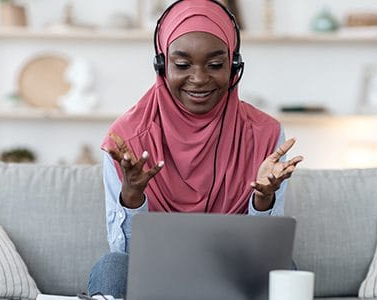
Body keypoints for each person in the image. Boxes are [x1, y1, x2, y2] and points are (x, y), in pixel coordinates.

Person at [88, 0, 303, 297]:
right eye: (182, 64)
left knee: (285, 269)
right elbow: (125, 254)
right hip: (155, 278)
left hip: (234, 277)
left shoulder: (265, 134)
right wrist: (133, 195)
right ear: (162, 65)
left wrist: (263, 199)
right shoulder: (127, 138)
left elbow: (265, 254)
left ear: (234, 65)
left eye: (215, 65)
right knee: (110, 267)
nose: (199, 79)